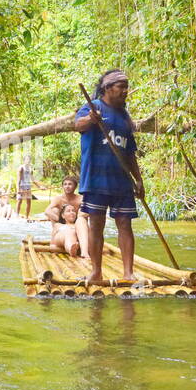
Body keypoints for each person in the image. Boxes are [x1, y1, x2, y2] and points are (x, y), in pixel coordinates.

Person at [74, 68, 143, 284]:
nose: (125, 91)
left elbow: (130, 153)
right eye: (121, 87)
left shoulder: (124, 116)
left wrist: (139, 179)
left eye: (126, 87)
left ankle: (128, 273)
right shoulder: (92, 107)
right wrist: (91, 119)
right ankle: (96, 272)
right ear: (107, 88)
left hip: (122, 180)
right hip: (96, 180)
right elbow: (78, 125)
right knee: (96, 224)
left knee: (125, 224)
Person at [45, 175, 89, 258]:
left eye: (70, 184)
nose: (67, 186)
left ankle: (84, 251)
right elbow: (47, 211)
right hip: (62, 227)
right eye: (65, 184)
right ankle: (71, 248)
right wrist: (59, 218)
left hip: (79, 227)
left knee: (81, 218)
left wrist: (79, 214)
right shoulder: (58, 199)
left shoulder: (81, 199)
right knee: (55, 211)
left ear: (75, 186)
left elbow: (88, 212)